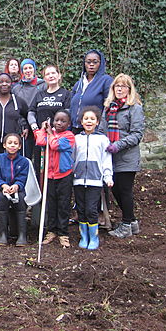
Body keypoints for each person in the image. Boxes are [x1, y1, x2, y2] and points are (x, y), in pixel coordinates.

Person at [100, 74, 145, 238]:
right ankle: (132, 222)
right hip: (110, 157)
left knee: (124, 190)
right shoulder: (108, 108)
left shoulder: (134, 108)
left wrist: (117, 145)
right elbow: (101, 129)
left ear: (129, 89)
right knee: (116, 190)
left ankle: (126, 224)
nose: (119, 89)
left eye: (123, 86)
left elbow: (137, 134)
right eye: (117, 86)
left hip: (126, 156)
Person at [73, 106, 113, 250]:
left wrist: (108, 176)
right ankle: (84, 237)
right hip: (78, 180)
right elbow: (71, 159)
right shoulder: (76, 139)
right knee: (81, 209)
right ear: (81, 122)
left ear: (97, 122)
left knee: (91, 209)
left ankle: (93, 237)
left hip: (95, 181)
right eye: (86, 119)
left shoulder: (102, 140)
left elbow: (106, 159)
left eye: (92, 119)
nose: (89, 121)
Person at [34, 110, 75, 247]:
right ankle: (51, 231)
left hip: (63, 175)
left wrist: (51, 134)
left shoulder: (69, 136)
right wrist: (43, 129)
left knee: (63, 204)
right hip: (49, 176)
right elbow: (40, 141)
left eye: (63, 121)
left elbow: (55, 145)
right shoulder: (49, 133)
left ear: (68, 123)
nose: (59, 123)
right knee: (51, 204)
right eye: (56, 120)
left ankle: (63, 232)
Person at [28, 65, 71, 174]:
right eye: (47, 74)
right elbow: (31, 112)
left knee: (55, 167)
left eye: (53, 73)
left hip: (57, 137)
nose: (51, 76)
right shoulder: (39, 95)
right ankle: (41, 190)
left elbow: (68, 114)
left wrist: (56, 130)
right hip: (41, 136)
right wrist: (35, 129)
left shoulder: (66, 94)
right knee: (39, 168)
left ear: (59, 75)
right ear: (44, 78)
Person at [0, 133, 30, 246]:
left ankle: (22, 234)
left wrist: (17, 186)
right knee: (0, 198)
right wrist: (3, 186)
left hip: (18, 189)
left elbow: (22, 178)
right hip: (1, 189)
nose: (12, 145)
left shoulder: (24, 162)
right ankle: (2, 233)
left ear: (20, 146)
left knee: (21, 200)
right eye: (10, 143)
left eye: (15, 143)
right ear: (4, 145)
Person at [70, 49, 113, 133]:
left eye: (95, 62)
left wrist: (101, 128)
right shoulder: (79, 83)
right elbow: (71, 106)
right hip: (76, 129)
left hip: (95, 130)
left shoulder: (105, 81)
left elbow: (108, 106)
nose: (91, 65)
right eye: (88, 62)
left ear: (100, 64)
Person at [12, 58, 45, 159]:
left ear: (34, 69)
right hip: (24, 126)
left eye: (30, 67)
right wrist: (23, 124)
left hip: (39, 124)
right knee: (25, 155)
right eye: (25, 68)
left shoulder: (43, 85)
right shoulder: (16, 88)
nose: (28, 70)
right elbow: (16, 108)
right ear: (22, 71)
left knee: (40, 157)